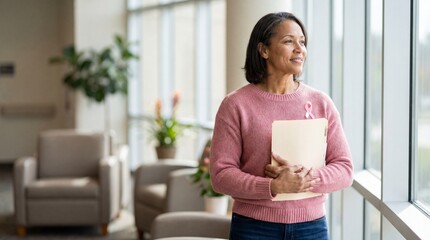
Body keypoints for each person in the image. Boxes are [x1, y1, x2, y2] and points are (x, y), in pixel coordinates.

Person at [210, 12, 353, 240]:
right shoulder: (235, 105)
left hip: (312, 227)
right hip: (254, 227)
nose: (299, 49)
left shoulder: (321, 102)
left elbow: (345, 169)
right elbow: (221, 175)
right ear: (264, 50)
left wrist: (304, 179)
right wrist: (274, 186)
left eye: (302, 42)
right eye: (288, 41)